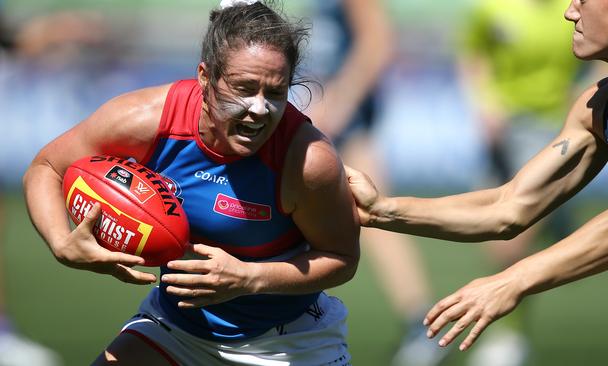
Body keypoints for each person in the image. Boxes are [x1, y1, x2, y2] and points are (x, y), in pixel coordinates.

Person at [22, 1, 360, 365]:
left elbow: (342, 258)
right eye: (244, 88)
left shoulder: (307, 160)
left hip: (288, 343)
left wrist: (250, 277)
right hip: (175, 328)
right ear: (205, 76)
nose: (260, 109)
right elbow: (46, 167)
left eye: (275, 93)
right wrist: (61, 243)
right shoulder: (147, 120)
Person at [345, 0, 608, 353]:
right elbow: (509, 206)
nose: (570, 11)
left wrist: (513, 281)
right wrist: (381, 209)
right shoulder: (600, 104)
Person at [287, 1, 443, 365]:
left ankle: (422, 323)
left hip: (343, 114)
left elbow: (377, 41)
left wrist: (341, 103)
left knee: (372, 213)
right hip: (324, 107)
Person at [454, 1, 586, 364]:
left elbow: (601, 56)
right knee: (499, 243)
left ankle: (505, 338)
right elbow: (473, 55)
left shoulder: (574, 8)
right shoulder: (492, 8)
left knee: (514, 239)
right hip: (502, 134)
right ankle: (509, 333)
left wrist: (582, 96)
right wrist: (484, 104)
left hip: (554, 132)